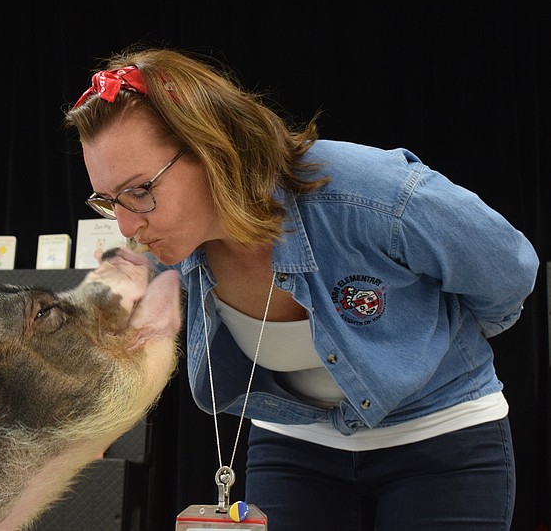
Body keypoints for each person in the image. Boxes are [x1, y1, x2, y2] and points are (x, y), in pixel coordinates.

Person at [64, 47, 540, 530]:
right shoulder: (170, 245)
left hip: (443, 443)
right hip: (294, 449)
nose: (126, 224)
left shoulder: (370, 193)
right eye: (109, 200)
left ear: (212, 147)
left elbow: (509, 274)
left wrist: (436, 345)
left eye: (140, 191)